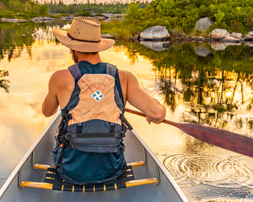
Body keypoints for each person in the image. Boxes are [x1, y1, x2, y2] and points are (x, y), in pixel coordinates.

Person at [42, 17, 166, 185]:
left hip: (71, 171)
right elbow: (158, 113)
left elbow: (47, 112)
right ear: (98, 48)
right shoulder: (124, 78)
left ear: (72, 49)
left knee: (59, 133)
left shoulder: (60, 78)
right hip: (112, 169)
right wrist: (152, 113)